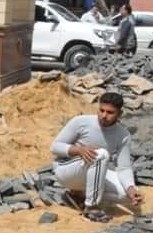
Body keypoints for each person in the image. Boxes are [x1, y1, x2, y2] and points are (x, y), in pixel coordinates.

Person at [52, 92, 143, 223]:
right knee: (101, 155)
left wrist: (131, 188)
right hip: (66, 170)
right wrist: (79, 150)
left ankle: (78, 195)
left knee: (127, 195)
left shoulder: (123, 135)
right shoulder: (81, 122)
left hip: (93, 170)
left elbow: (124, 167)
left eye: (110, 112)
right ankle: (91, 208)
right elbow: (55, 147)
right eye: (101, 110)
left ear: (120, 114)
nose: (104, 115)